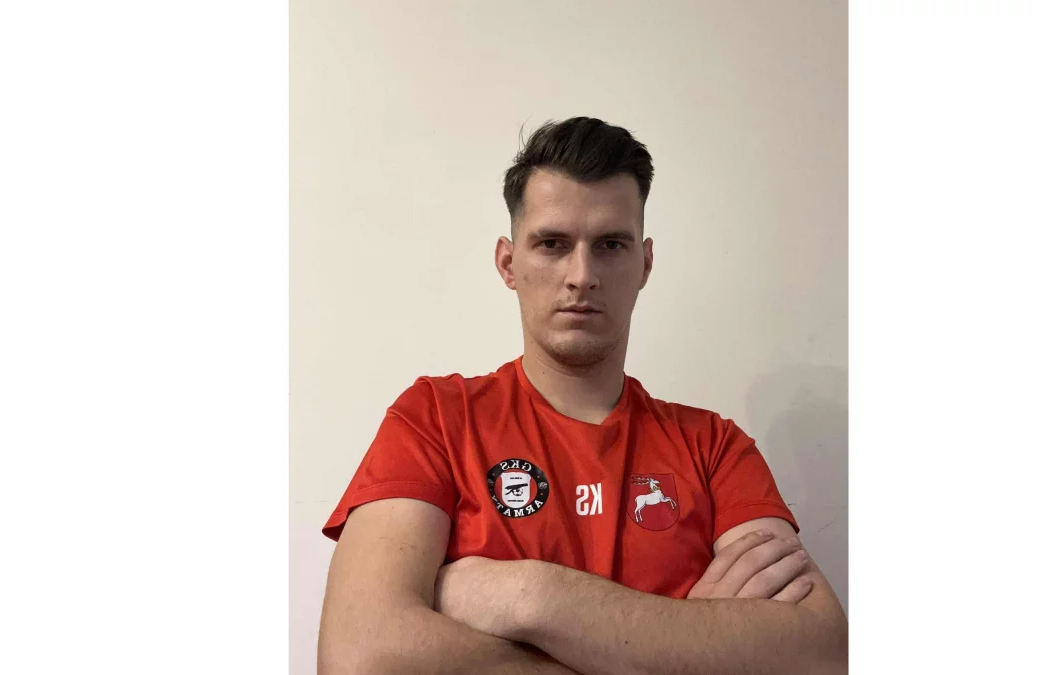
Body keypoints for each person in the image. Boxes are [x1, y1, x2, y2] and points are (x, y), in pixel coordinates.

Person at [316, 117, 848, 674]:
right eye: (552, 244)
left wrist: (527, 595)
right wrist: (685, 642)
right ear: (508, 264)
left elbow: (821, 653)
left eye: (611, 245)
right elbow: (360, 658)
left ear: (644, 264)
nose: (581, 275)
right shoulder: (435, 420)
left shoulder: (714, 447)